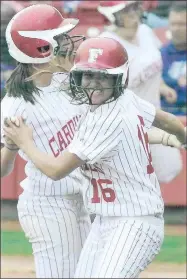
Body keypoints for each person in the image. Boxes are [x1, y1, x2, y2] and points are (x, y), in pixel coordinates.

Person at [3, 37, 186, 278]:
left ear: (118, 79)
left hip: (134, 221)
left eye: (103, 77)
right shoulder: (119, 101)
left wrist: (24, 141)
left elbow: (57, 170)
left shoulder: (104, 118)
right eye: (88, 76)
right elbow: (167, 120)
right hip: (104, 220)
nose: (94, 84)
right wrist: (177, 137)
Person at [1, 4, 91, 278]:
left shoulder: (66, 81)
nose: (69, 43)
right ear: (41, 48)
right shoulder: (15, 104)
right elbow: (3, 169)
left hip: (80, 198)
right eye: (60, 39)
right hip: (48, 206)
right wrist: (13, 145)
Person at [97, 0, 183, 183]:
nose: (133, 13)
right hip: (126, 122)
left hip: (155, 115)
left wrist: (162, 86)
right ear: (114, 15)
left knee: (170, 168)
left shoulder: (145, 31)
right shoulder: (106, 44)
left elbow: (153, 65)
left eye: (134, 7)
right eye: (126, 10)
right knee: (134, 179)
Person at [160, 2, 187, 115]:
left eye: (181, 24)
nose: (176, 29)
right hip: (168, 118)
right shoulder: (160, 55)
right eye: (173, 24)